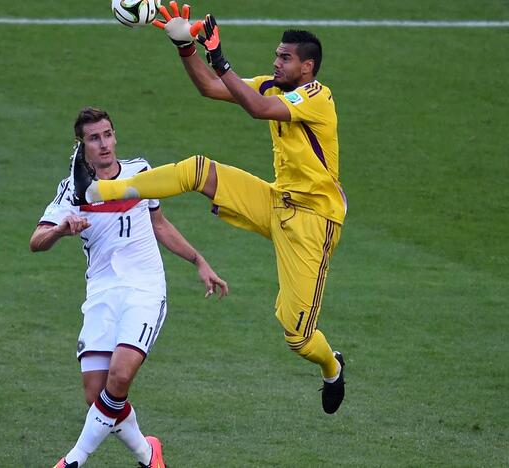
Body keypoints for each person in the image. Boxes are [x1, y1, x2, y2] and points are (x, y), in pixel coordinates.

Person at [71, 2, 348, 414]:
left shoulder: (316, 97)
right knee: (198, 170)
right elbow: (210, 88)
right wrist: (185, 46)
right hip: (275, 200)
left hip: (312, 222)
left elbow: (256, 109)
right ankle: (101, 191)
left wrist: (219, 56)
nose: (276, 62)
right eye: (276, 54)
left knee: (298, 337)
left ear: (307, 67)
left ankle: (332, 367)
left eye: (285, 58)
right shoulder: (272, 85)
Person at [31, 107, 228, 467]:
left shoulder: (141, 172)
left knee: (119, 376)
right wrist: (61, 230)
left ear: (115, 136)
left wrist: (199, 261)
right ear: (82, 146)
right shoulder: (72, 191)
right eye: (94, 138)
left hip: (145, 290)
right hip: (102, 294)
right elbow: (36, 240)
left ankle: (74, 459)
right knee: (97, 395)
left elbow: (160, 224)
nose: (104, 144)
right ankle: (147, 453)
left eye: (107, 134)